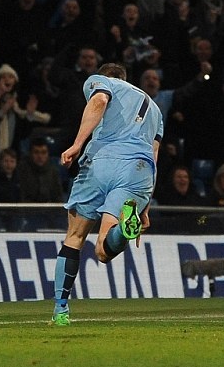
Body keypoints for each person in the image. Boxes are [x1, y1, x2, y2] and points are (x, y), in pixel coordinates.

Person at [51, 62, 162, 326]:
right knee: (103, 250)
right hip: (139, 171)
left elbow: (100, 100)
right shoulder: (156, 110)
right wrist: (145, 206)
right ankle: (123, 230)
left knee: (75, 237)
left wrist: (77, 144)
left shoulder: (101, 82)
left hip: (102, 161)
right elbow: (154, 154)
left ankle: (61, 310)